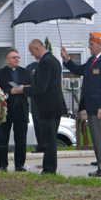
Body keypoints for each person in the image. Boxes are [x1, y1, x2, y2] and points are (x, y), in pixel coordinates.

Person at [61, 32, 101, 177]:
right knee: (97, 140)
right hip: (91, 107)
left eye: (92, 44)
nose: (89, 46)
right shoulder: (93, 60)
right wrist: (67, 59)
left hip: (100, 108)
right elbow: (79, 70)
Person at [18, 39, 67, 175]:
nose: (32, 54)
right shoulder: (53, 60)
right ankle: (49, 168)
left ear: (38, 48)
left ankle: (49, 169)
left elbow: (41, 87)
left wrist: (24, 90)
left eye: (32, 51)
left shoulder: (45, 62)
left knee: (49, 141)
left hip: (49, 107)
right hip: (53, 106)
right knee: (48, 139)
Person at [0, 48, 32, 172]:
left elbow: (32, 87)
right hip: (6, 110)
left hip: (21, 109)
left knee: (21, 139)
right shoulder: (0, 73)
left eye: (18, 57)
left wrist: (23, 89)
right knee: (2, 138)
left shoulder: (26, 72)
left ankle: (19, 164)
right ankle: (3, 165)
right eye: (14, 57)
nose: (17, 59)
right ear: (7, 60)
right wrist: (9, 91)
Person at [26, 58, 42, 153]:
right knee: (36, 122)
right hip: (34, 99)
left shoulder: (47, 65)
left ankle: (46, 145)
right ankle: (39, 145)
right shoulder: (30, 67)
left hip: (45, 99)